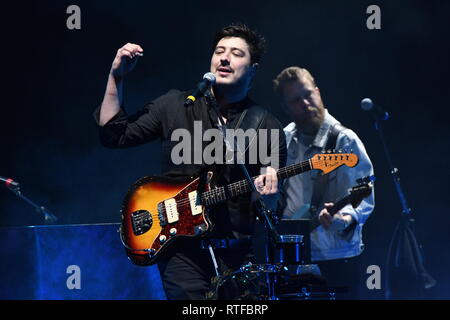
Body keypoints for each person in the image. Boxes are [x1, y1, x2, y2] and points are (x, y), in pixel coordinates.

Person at [94, 23, 286, 300]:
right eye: (219, 51)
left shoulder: (266, 126)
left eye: (236, 53)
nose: (224, 58)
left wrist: (269, 193)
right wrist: (116, 77)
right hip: (181, 251)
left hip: (238, 255)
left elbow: (269, 207)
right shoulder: (176, 105)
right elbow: (114, 134)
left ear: (253, 68)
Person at [273, 66, 375, 299]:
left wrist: (345, 217)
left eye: (308, 94)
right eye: (296, 100)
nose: (306, 103)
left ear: (318, 91)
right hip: (295, 257)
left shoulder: (343, 139)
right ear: (286, 107)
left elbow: (363, 193)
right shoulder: (285, 139)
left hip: (336, 256)